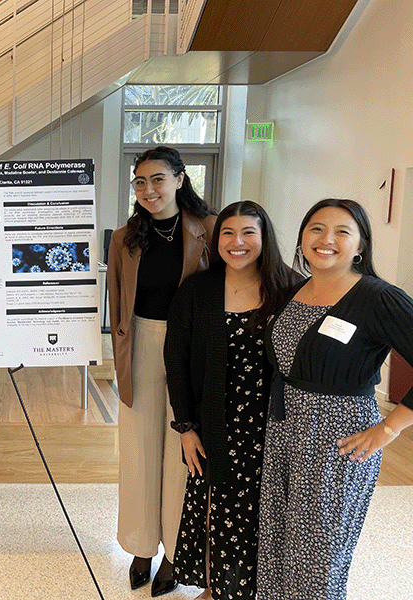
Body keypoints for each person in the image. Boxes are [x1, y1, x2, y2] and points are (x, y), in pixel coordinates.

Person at [256, 198, 413, 600]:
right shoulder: (295, 290)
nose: (327, 240)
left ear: (360, 246)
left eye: (342, 232)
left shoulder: (376, 297)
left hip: (338, 441)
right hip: (285, 433)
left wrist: (390, 429)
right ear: (302, 238)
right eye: (316, 229)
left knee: (318, 557)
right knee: (277, 548)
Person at [164, 201, 297, 600]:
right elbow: (176, 359)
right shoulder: (198, 289)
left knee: (264, 511)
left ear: (264, 237)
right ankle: (217, 586)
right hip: (214, 421)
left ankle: (253, 589)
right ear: (216, 238)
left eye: (248, 233)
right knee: (216, 508)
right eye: (227, 233)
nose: (237, 243)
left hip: (273, 425)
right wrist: (185, 427)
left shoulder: (290, 288)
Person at [108, 146, 217, 596]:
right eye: (139, 182)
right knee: (138, 451)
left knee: (182, 454)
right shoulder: (124, 237)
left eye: (157, 179)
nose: (148, 190)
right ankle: (140, 548)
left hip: (192, 348)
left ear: (179, 179)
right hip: (140, 347)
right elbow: (117, 296)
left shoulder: (209, 229)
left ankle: (176, 553)